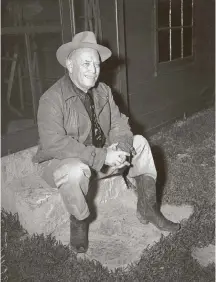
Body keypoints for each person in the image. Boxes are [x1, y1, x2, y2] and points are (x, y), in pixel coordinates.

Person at [33, 31, 180, 253]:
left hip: (99, 157)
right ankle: (79, 220)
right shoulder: (51, 99)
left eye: (97, 64)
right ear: (70, 65)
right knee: (75, 170)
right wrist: (103, 156)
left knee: (139, 143)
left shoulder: (103, 91)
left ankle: (147, 208)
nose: (93, 70)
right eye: (86, 63)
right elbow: (54, 143)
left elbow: (118, 124)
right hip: (61, 162)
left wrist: (121, 145)